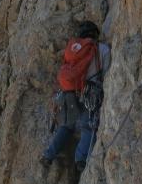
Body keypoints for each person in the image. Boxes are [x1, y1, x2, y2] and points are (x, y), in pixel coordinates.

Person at [40, 21, 110, 172]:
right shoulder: (102, 49)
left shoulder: (72, 50)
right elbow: (106, 75)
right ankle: (80, 160)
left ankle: (48, 155)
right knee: (87, 127)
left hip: (68, 93)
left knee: (66, 126)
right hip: (89, 93)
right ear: (95, 34)